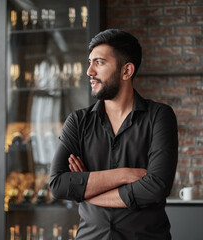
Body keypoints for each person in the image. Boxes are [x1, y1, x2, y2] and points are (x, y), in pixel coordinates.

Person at [49, 29, 178, 239]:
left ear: (126, 71)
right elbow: (58, 185)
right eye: (89, 62)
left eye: (99, 62)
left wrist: (87, 191)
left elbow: (156, 186)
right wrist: (124, 175)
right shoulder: (78, 121)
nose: (89, 71)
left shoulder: (159, 116)